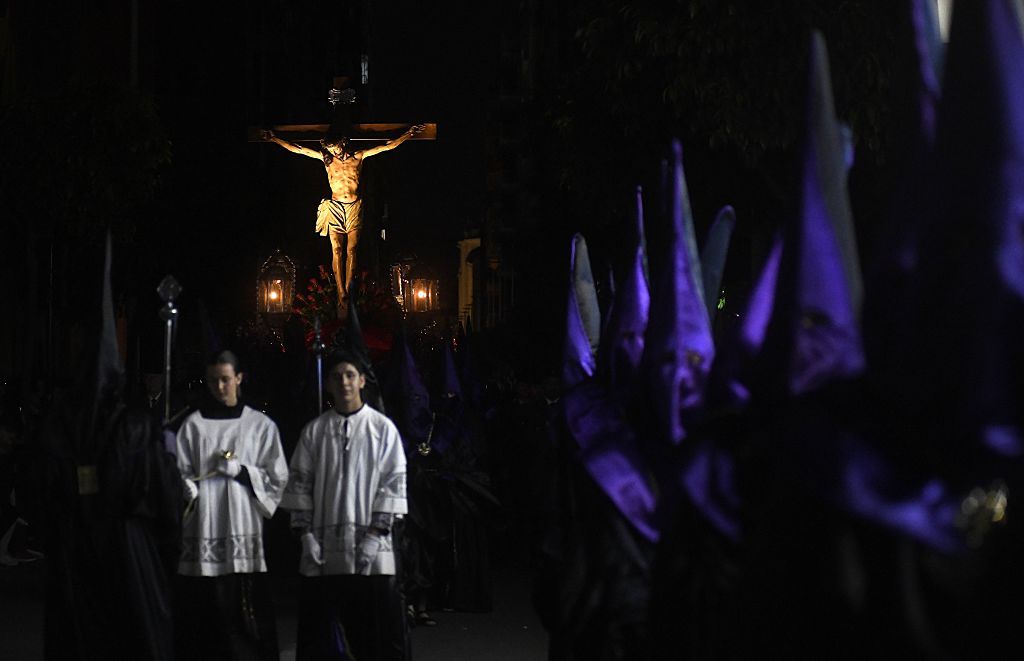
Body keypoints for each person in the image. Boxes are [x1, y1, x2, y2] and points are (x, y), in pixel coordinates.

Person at [282, 349, 409, 661]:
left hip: (370, 550)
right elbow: (300, 484)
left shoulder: (382, 429)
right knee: (322, 635)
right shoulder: (315, 430)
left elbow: (392, 482)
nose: (344, 382)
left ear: (362, 380)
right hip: (325, 550)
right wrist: (306, 534)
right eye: (337, 377)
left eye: (350, 375)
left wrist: (375, 534)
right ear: (328, 384)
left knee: (374, 634)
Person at [175, 350, 289, 660]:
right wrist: (184, 487)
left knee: (244, 622)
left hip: (242, 530)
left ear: (239, 378)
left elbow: (278, 477)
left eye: (226, 379)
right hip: (204, 532)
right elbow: (180, 471)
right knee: (206, 622)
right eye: (213, 380)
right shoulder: (193, 425)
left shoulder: (259, 426)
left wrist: (243, 472)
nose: (220, 387)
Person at [264, 124, 426, 309]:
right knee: (337, 250)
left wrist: (407, 135)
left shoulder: (358, 156)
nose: (334, 151)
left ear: (342, 143)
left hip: (353, 207)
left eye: (336, 147)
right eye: (330, 149)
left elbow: (385, 146)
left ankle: (349, 287)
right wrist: (274, 138)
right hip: (334, 207)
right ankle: (341, 291)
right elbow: (299, 149)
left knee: (351, 250)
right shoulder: (327, 160)